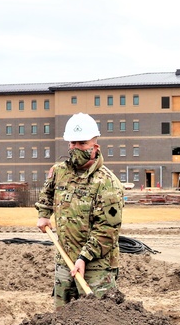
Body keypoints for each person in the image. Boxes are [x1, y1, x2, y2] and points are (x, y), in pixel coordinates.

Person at [36, 112, 124, 308]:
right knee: (63, 321)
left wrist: (84, 258)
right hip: (64, 260)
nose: (76, 148)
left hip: (96, 267)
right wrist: (43, 215)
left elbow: (107, 231)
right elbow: (46, 193)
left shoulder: (108, 183)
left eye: (82, 144)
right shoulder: (59, 172)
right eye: (72, 143)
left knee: (99, 322)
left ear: (95, 146)